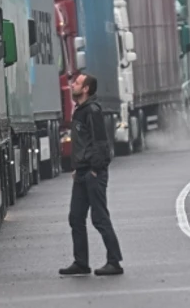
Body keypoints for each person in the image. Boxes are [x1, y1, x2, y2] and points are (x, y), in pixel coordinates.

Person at [59, 73, 124, 276]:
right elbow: (82, 143)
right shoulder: (80, 111)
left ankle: (114, 262)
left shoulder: (93, 111)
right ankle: (81, 262)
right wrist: (77, 168)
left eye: (77, 83)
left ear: (86, 89)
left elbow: (100, 143)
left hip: (93, 173)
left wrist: (95, 168)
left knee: (99, 218)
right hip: (82, 173)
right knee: (76, 217)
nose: (72, 85)